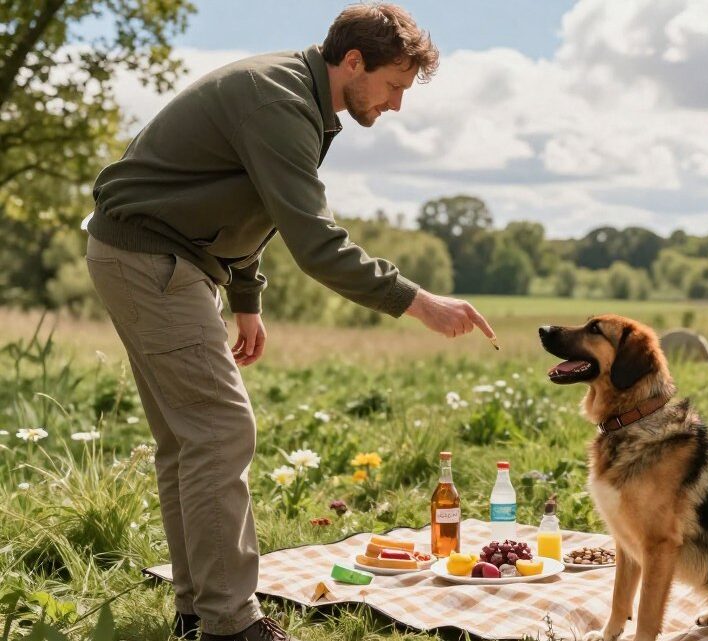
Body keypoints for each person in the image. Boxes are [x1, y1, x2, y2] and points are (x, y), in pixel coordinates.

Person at [84, 5, 494, 640]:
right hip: (152, 259)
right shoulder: (278, 102)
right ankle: (232, 625)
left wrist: (245, 296)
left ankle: (199, 612)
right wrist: (418, 301)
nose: (395, 105)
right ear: (352, 62)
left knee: (191, 441)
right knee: (220, 432)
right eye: (393, 86)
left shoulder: (295, 95)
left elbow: (250, 199)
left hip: (167, 258)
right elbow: (316, 243)